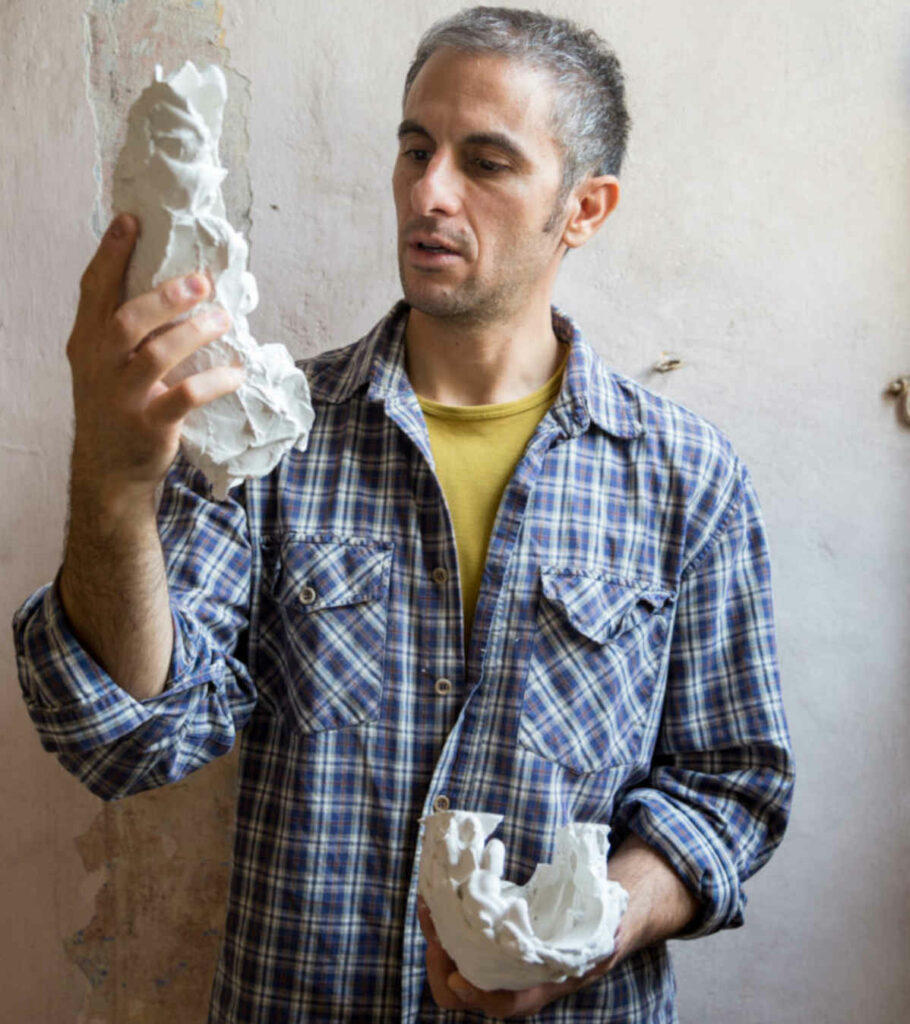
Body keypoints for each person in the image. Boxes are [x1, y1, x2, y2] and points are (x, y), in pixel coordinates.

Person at [14, 7, 794, 1022]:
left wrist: (597, 924)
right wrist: (116, 484)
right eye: (415, 149)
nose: (428, 192)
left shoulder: (686, 475)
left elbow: (733, 786)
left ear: (584, 207)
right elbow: (117, 740)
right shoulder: (267, 434)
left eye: (486, 162)